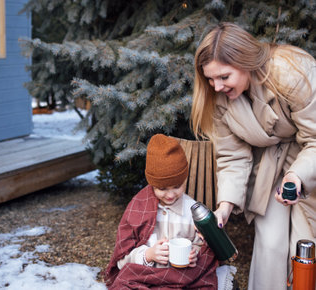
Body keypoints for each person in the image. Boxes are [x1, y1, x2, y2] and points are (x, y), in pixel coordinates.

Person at [191, 22, 316, 290]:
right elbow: (232, 157)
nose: (216, 86)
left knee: (305, 244)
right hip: (269, 169)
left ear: (245, 62)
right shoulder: (218, 99)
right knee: (271, 242)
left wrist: (297, 174)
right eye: (210, 79)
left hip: (310, 163)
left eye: (224, 76)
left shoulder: (291, 72)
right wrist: (224, 207)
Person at [105, 134, 218, 289]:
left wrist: (194, 255)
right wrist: (148, 255)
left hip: (182, 278)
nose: (170, 195)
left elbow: (204, 246)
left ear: (184, 179)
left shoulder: (193, 211)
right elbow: (122, 261)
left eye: (177, 186)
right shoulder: (139, 207)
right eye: (162, 189)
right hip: (145, 276)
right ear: (152, 184)